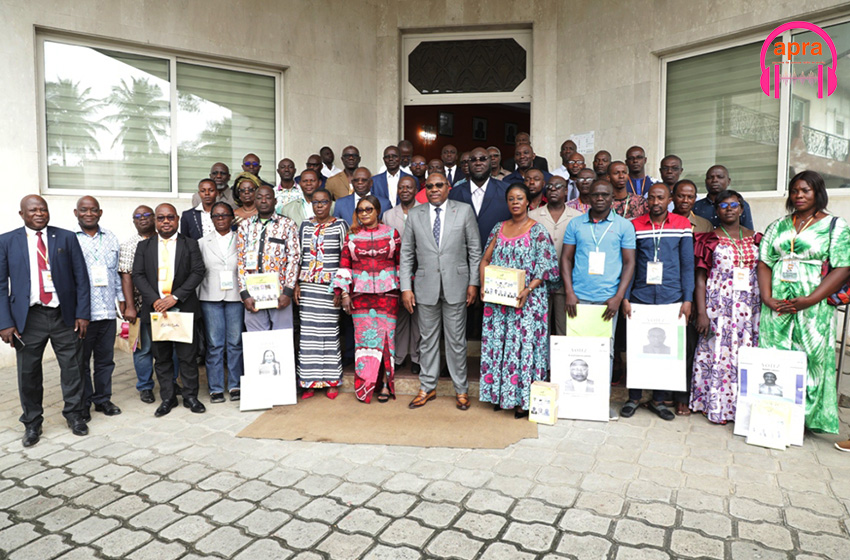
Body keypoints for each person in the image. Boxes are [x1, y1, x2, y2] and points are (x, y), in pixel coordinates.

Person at [758, 170, 850, 435]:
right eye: (795, 190)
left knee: (814, 358)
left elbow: (843, 267)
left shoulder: (835, 225)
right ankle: (776, 415)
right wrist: (766, 297)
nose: (798, 195)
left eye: (805, 190)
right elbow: (765, 262)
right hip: (777, 304)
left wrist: (810, 299)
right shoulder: (778, 225)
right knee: (776, 355)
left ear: (817, 193)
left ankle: (808, 419)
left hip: (814, 304)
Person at [0, 195, 91, 446]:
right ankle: (32, 423)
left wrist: (83, 314)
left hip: (64, 315)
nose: (39, 213)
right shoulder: (7, 241)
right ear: (22, 214)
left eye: (43, 209)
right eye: (33, 210)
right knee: (28, 373)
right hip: (28, 318)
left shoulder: (65, 237)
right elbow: (0, 285)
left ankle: (75, 415)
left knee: (73, 369)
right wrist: (5, 323)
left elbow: (81, 278)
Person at [400, 173, 482, 410]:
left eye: (439, 185)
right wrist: (406, 287)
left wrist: (473, 283)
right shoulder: (416, 214)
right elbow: (406, 255)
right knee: (427, 341)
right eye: (429, 186)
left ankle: (461, 390)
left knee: (456, 341)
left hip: (457, 285)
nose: (434, 189)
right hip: (425, 288)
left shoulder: (464, 211)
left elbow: (475, 251)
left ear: (448, 187)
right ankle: (427, 387)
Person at [479, 184, 559, 418]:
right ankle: (500, 395)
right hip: (498, 301)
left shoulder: (538, 231)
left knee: (522, 349)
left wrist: (528, 289)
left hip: (528, 302)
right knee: (500, 346)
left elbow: (547, 268)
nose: (515, 202)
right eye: (511, 199)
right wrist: (484, 285)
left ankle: (523, 400)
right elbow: (485, 259)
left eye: (520, 198)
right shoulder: (498, 228)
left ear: (528, 202)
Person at [621, 183, 694, 421]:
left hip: (671, 296)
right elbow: (629, 265)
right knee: (637, 347)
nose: (655, 202)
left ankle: (659, 400)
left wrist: (688, 298)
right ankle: (634, 397)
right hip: (640, 295)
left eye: (660, 198)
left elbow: (687, 264)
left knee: (666, 351)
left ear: (669, 199)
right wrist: (626, 297)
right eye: (651, 198)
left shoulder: (682, 225)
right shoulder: (635, 225)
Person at [691, 189, 760, 423]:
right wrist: (701, 312)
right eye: (723, 205)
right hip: (718, 307)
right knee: (717, 352)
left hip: (750, 308)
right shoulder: (708, 240)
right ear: (716, 210)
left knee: (745, 352)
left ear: (742, 209)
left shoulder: (757, 237)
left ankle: (744, 408)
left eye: (734, 205)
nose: (729, 209)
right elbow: (700, 278)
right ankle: (714, 404)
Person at [561, 180, 636, 394]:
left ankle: (601, 400)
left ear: (613, 197)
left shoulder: (624, 226)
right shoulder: (575, 224)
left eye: (605, 194)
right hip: (579, 299)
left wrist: (619, 297)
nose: (600, 198)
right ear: (589, 197)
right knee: (578, 349)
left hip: (608, 299)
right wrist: (569, 292)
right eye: (596, 194)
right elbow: (566, 259)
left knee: (606, 351)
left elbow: (630, 263)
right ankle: (577, 398)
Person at [132, 203, 206, 417]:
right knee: (162, 357)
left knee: (187, 356)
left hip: (182, 307)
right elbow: (138, 275)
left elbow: (198, 271)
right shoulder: (144, 247)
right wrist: (156, 299)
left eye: (170, 217)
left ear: (177, 219)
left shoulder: (190, 244)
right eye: (161, 218)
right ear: (155, 221)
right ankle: (168, 397)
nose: (166, 221)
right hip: (156, 310)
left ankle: (191, 396)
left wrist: (174, 297)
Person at [332, 195, 401, 403]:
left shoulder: (391, 234)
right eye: (360, 210)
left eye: (369, 209)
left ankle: (386, 386)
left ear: (378, 211)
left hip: (387, 295)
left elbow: (400, 263)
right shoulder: (351, 237)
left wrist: (406, 289)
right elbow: (344, 264)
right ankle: (366, 385)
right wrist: (343, 293)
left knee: (386, 341)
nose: (364, 213)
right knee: (365, 342)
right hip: (360, 296)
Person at [295, 189, 348, 399]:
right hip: (308, 287)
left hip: (329, 288)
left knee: (328, 333)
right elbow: (299, 256)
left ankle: (331, 382)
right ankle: (309, 382)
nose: (319, 206)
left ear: (330, 204)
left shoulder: (340, 225)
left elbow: (345, 259)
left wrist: (340, 288)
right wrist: (297, 284)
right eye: (315, 202)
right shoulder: (305, 225)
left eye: (324, 202)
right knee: (308, 336)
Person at [74, 196, 124, 420]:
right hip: (83, 314)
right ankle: (83, 402)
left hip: (107, 311)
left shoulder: (111, 238)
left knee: (105, 360)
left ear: (100, 213)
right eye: (84, 210)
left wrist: (121, 299)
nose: (89, 214)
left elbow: (115, 274)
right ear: (76, 213)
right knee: (81, 361)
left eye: (93, 210)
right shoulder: (69, 239)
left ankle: (102, 400)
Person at [197, 201, 243, 403]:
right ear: (211, 218)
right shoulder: (201, 242)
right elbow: (198, 272)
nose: (221, 218)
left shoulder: (242, 239)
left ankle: (235, 385)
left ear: (232, 217)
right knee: (215, 344)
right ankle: (215, 387)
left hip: (236, 296)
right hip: (210, 297)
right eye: (216, 215)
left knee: (234, 343)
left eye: (225, 215)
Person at [237, 186, 300, 332]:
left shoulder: (288, 225)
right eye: (259, 197)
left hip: (280, 293)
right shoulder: (245, 226)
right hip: (253, 294)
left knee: (281, 339)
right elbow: (241, 261)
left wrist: (288, 292)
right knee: (257, 342)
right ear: (254, 200)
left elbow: (294, 258)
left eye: (268, 197)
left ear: (275, 201)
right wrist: (244, 293)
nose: (263, 201)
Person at [119, 205, 161, 404]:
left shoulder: (164, 240)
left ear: (154, 218)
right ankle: (145, 386)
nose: (142, 219)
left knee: (169, 342)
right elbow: (126, 276)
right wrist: (129, 306)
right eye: (138, 216)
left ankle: (172, 382)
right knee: (142, 347)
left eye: (146, 215)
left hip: (164, 302)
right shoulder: (129, 245)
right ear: (133, 221)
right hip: (139, 303)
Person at [530, 176, 581, 336]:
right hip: (538, 282)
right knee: (539, 328)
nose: (553, 189)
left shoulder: (578, 217)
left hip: (566, 282)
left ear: (566, 191)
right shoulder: (533, 216)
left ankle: (561, 361)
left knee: (563, 329)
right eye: (550, 186)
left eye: (558, 186)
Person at [383, 176, 421, 375]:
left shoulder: (425, 210)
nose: (405, 190)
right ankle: (398, 357)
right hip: (395, 272)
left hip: (421, 271)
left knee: (418, 317)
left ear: (416, 189)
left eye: (409, 187)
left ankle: (417, 357)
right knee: (400, 317)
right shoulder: (388, 215)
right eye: (401, 187)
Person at [448, 147, 511, 250]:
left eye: (483, 159)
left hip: (497, 256)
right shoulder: (454, 193)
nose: (478, 163)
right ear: (468, 164)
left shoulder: (506, 191)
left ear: (490, 162)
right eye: (473, 160)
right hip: (463, 257)